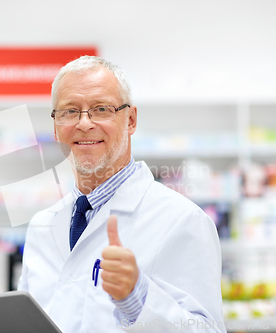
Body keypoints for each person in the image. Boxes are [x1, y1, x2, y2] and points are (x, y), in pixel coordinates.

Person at [17, 56, 225, 333]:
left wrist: (138, 300)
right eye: (69, 111)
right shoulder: (41, 226)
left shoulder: (183, 220)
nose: (84, 123)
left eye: (101, 109)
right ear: (55, 126)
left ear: (131, 120)